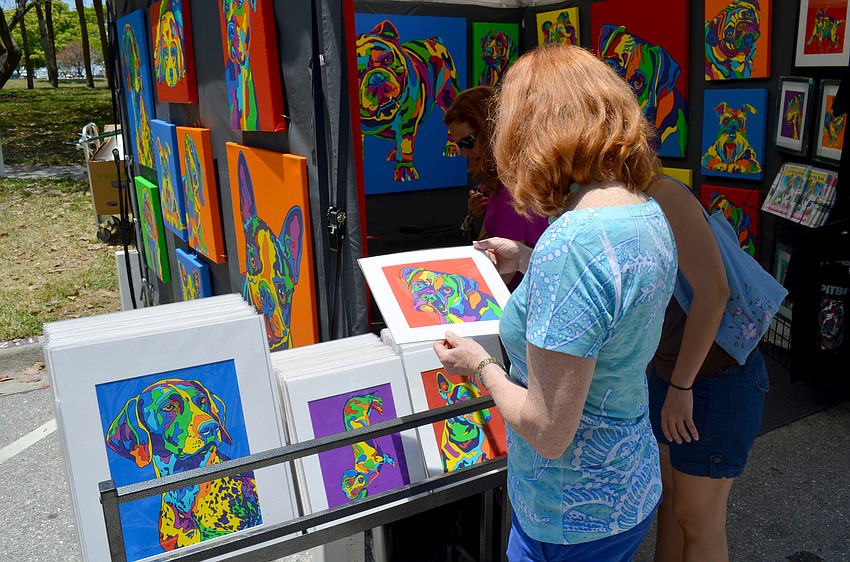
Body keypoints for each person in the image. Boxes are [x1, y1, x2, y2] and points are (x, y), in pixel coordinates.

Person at [434, 44, 679, 561]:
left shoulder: (572, 241)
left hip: (567, 513)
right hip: (627, 486)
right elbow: (608, 302)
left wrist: (480, 367)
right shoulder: (646, 211)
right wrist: (528, 256)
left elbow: (548, 431)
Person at [647, 175, 770, 562]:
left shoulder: (660, 192)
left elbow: (715, 291)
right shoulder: (611, 200)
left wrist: (681, 388)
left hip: (713, 379)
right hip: (669, 373)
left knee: (697, 518)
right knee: (671, 500)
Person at [443, 86, 549, 289]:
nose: (464, 152)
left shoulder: (513, 188)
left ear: (489, 130)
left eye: (467, 142)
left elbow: (501, 278)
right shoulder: (508, 180)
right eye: (459, 145)